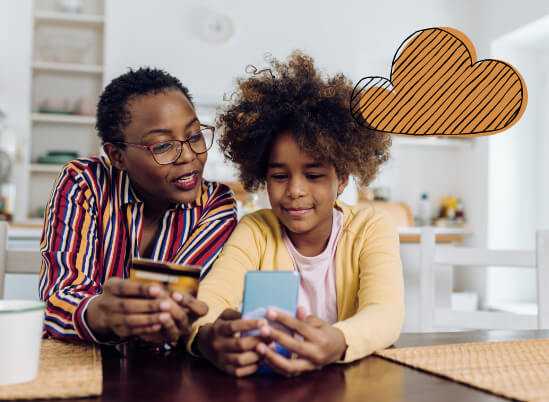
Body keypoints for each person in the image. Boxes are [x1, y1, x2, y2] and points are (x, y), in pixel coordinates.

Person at [187, 51, 405, 377]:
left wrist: (338, 340)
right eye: (279, 176)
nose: (295, 190)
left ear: (342, 179)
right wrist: (207, 337)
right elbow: (210, 301)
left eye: (314, 176)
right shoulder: (255, 230)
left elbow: (385, 312)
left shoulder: (371, 228)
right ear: (262, 176)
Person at [39, 68, 237, 345]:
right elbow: (56, 300)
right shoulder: (85, 183)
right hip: (82, 365)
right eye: (163, 146)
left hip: (165, 377)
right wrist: (100, 314)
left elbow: (175, 308)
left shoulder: (216, 205)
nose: (189, 156)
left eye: (194, 136)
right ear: (117, 156)